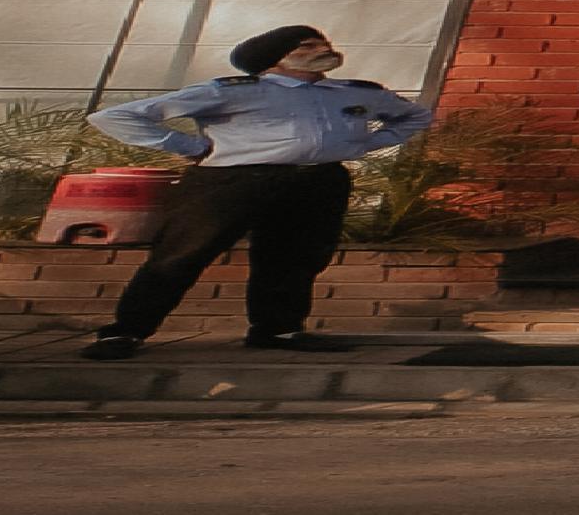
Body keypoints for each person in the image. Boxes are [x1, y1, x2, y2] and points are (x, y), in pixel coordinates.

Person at [76, 25, 433, 357]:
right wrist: (189, 146)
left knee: (297, 256)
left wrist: (362, 145)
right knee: (183, 254)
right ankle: (126, 331)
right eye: (307, 46)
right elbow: (116, 116)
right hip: (232, 180)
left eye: (323, 43)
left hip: (317, 180)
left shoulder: (355, 93)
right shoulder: (232, 91)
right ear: (276, 58)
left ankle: (278, 329)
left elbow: (415, 116)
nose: (323, 49)